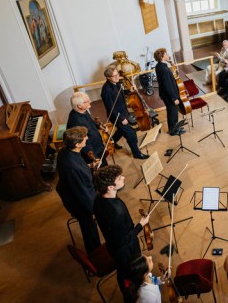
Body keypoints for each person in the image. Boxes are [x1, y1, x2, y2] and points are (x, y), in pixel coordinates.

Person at [94, 165, 149, 302]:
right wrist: (140, 225)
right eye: (119, 178)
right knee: (130, 275)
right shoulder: (116, 213)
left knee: (123, 271)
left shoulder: (98, 199)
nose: (123, 177)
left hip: (112, 244)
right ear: (110, 187)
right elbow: (123, 241)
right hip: (125, 252)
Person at [55, 126, 101, 254]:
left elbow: (80, 168)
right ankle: (96, 254)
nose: (87, 138)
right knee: (89, 230)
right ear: (77, 144)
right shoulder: (72, 168)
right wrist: (94, 211)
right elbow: (83, 193)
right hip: (79, 203)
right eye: (84, 137)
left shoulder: (65, 151)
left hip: (76, 191)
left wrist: (90, 166)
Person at [100, 66, 148, 159]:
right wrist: (121, 119)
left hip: (123, 113)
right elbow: (110, 108)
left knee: (121, 131)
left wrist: (129, 91)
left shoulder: (117, 83)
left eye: (117, 74)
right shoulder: (106, 90)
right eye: (114, 76)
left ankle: (112, 141)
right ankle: (137, 154)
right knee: (131, 134)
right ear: (108, 78)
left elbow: (121, 93)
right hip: (117, 117)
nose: (117, 77)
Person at [67, 91, 109, 165]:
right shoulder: (76, 121)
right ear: (80, 106)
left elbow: (91, 122)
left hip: (97, 146)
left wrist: (99, 126)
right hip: (92, 151)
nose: (90, 101)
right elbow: (83, 143)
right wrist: (94, 157)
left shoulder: (83, 111)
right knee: (102, 169)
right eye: (87, 101)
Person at [154, 48, 184, 137]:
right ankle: (173, 130)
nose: (168, 55)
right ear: (162, 57)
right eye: (166, 54)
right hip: (169, 95)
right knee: (172, 112)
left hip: (166, 94)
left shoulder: (160, 66)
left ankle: (175, 127)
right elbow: (167, 85)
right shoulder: (163, 69)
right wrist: (174, 98)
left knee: (172, 111)